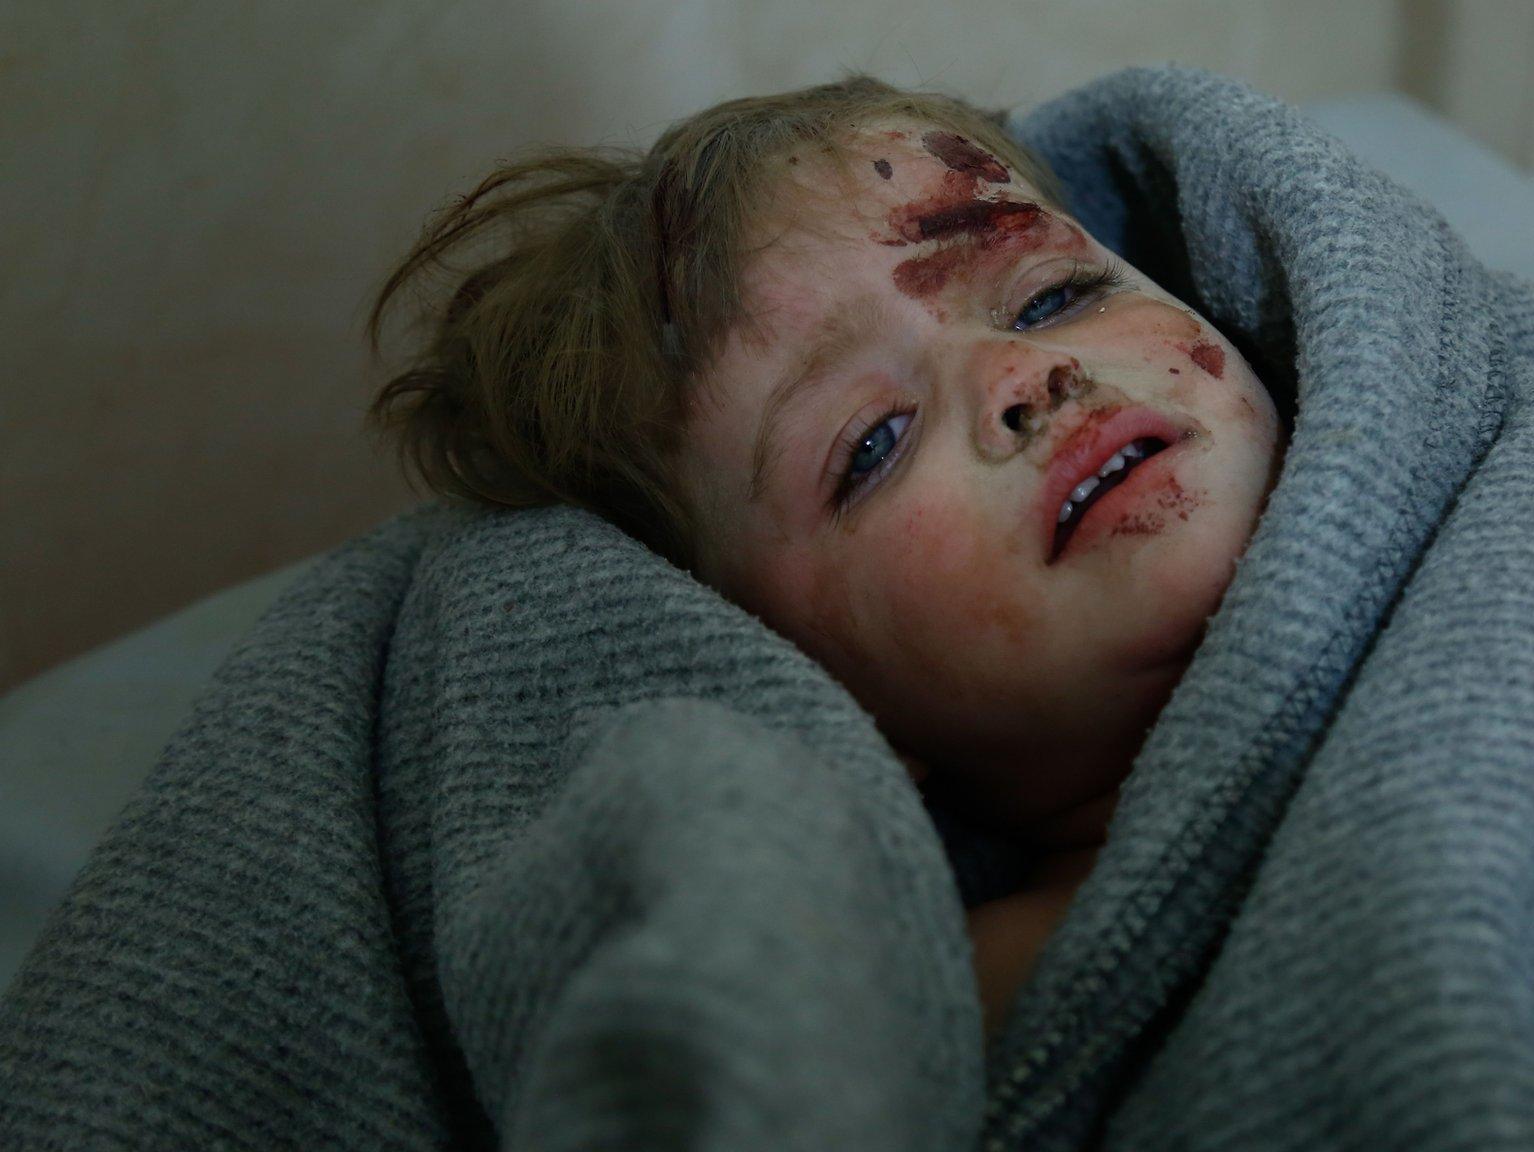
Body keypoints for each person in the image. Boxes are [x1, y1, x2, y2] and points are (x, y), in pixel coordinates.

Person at [364, 75, 1287, 1040]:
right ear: (813, 690)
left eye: (1054, 296)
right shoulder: (952, 1018)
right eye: (874, 443)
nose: (1022, 375)